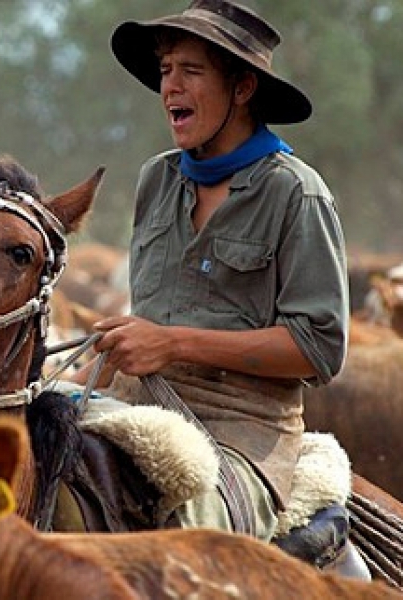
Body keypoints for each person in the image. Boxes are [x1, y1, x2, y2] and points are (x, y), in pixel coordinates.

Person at [74, 0, 355, 563]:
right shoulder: (158, 179)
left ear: (243, 88)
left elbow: (319, 347)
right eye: (165, 71)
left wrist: (171, 343)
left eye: (191, 72)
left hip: (239, 433)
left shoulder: (295, 193)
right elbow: (154, 312)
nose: (170, 87)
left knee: (181, 556)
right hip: (134, 406)